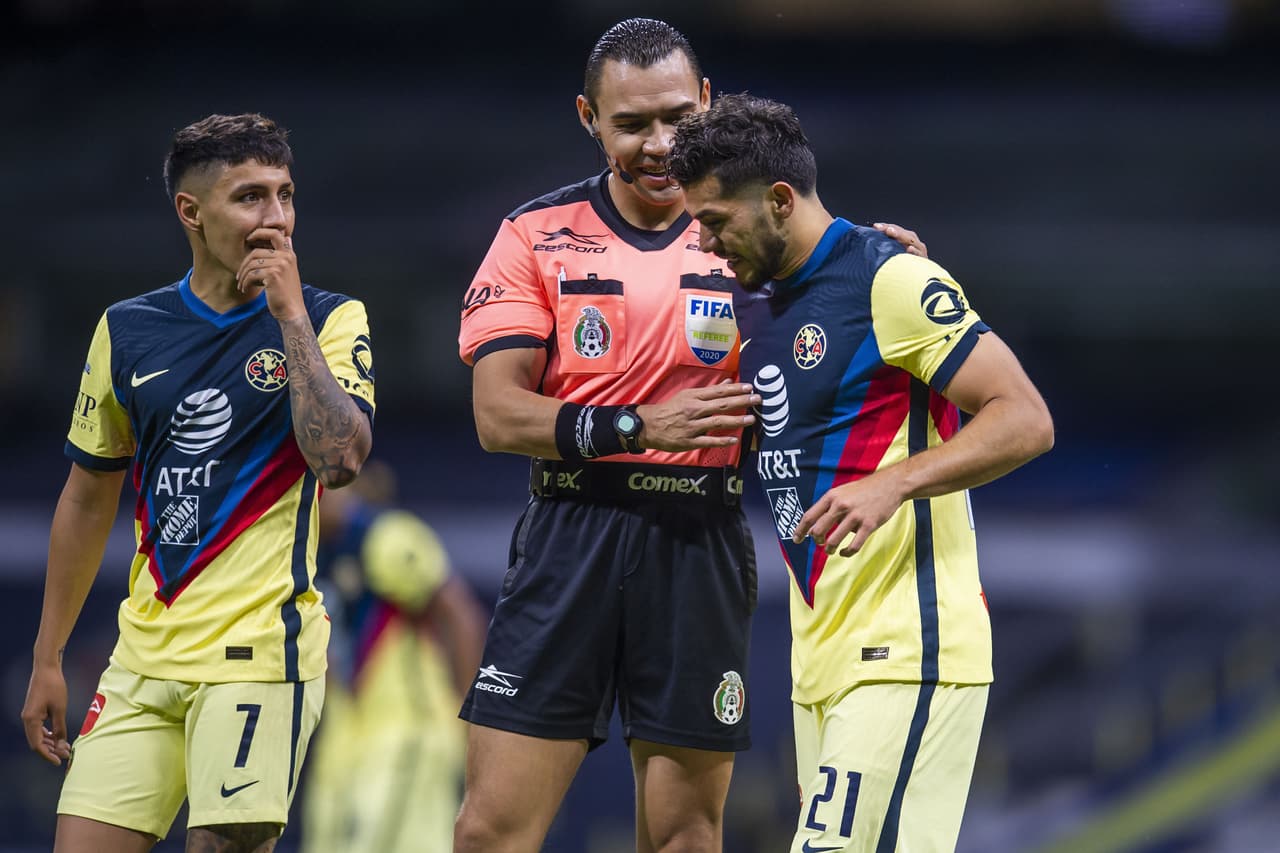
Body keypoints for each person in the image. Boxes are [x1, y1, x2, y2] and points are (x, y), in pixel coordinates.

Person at [668, 94, 1054, 852]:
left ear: (780, 199)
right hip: (819, 662)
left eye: (716, 221)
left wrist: (896, 480)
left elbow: (1025, 418)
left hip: (907, 651)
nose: (707, 243)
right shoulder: (757, 305)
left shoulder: (891, 281)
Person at [19, 113, 375, 853]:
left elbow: (340, 459)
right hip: (143, 659)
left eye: (285, 195)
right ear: (192, 211)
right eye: (250, 198)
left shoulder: (330, 319)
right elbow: (87, 497)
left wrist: (287, 315)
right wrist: (48, 656)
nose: (275, 219)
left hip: (259, 660)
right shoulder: (127, 329)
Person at [303, 459, 486, 853]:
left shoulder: (386, 538)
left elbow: (460, 615)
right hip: (345, 737)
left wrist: (470, 726)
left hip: (407, 735)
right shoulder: (301, 550)